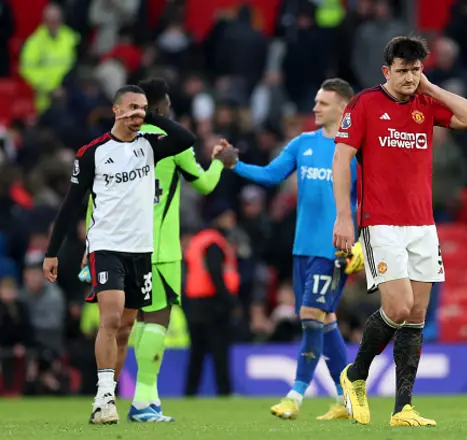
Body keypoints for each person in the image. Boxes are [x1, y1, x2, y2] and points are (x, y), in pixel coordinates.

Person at [332, 36, 467, 426]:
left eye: (416, 70)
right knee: (397, 308)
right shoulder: (364, 103)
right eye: (402, 71)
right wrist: (344, 218)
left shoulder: (425, 102)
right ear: (387, 71)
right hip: (380, 222)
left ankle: (403, 408)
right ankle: (356, 374)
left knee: (416, 314)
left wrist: (430, 87)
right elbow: (342, 159)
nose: (409, 78)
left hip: (422, 224)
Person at [43, 85, 196, 424]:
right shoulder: (92, 153)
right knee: (110, 319)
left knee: (126, 327)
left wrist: (150, 115)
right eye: (130, 107)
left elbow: (186, 139)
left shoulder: (150, 147)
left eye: (142, 108)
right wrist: (52, 252)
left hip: (141, 250)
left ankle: (110, 393)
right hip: (106, 247)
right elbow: (70, 206)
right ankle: (102, 399)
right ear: (115, 110)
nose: (137, 114)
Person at [79, 78, 226, 422]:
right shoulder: (171, 146)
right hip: (160, 250)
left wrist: (91, 245)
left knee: (132, 324)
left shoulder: (120, 145)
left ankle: (127, 398)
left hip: (118, 245)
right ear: (160, 109)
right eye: (168, 106)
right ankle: (144, 400)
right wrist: (221, 161)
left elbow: (94, 200)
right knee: (156, 321)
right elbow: (204, 184)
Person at [217, 78, 363, 420]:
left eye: (323, 103)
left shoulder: (356, 150)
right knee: (324, 320)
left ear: (343, 108)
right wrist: (234, 164)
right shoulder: (303, 144)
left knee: (312, 317)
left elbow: (371, 197)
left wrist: (359, 243)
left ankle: (295, 395)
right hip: (302, 249)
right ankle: (350, 397)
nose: (315, 108)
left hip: (334, 250)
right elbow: (271, 175)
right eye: (315, 101)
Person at [182, 223, 240, 397]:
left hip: (194, 302)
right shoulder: (214, 243)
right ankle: (224, 391)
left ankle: (190, 392)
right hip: (213, 304)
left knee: (197, 352)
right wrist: (231, 301)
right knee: (219, 350)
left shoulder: (197, 242)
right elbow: (216, 273)